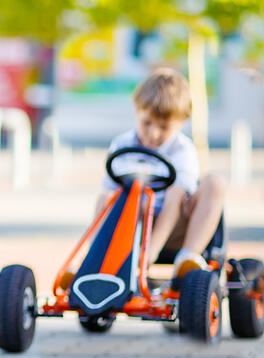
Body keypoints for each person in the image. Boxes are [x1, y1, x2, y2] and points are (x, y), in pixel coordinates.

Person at [95, 67, 226, 278]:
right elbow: (106, 196)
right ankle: (94, 259)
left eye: (164, 127)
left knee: (215, 182)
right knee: (114, 198)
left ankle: (188, 258)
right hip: (133, 226)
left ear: (181, 122)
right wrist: (96, 247)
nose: (153, 134)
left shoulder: (182, 150)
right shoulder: (122, 145)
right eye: (146, 123)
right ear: (136, 110)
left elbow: (174, 202)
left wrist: (150, 254)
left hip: (176, 228)